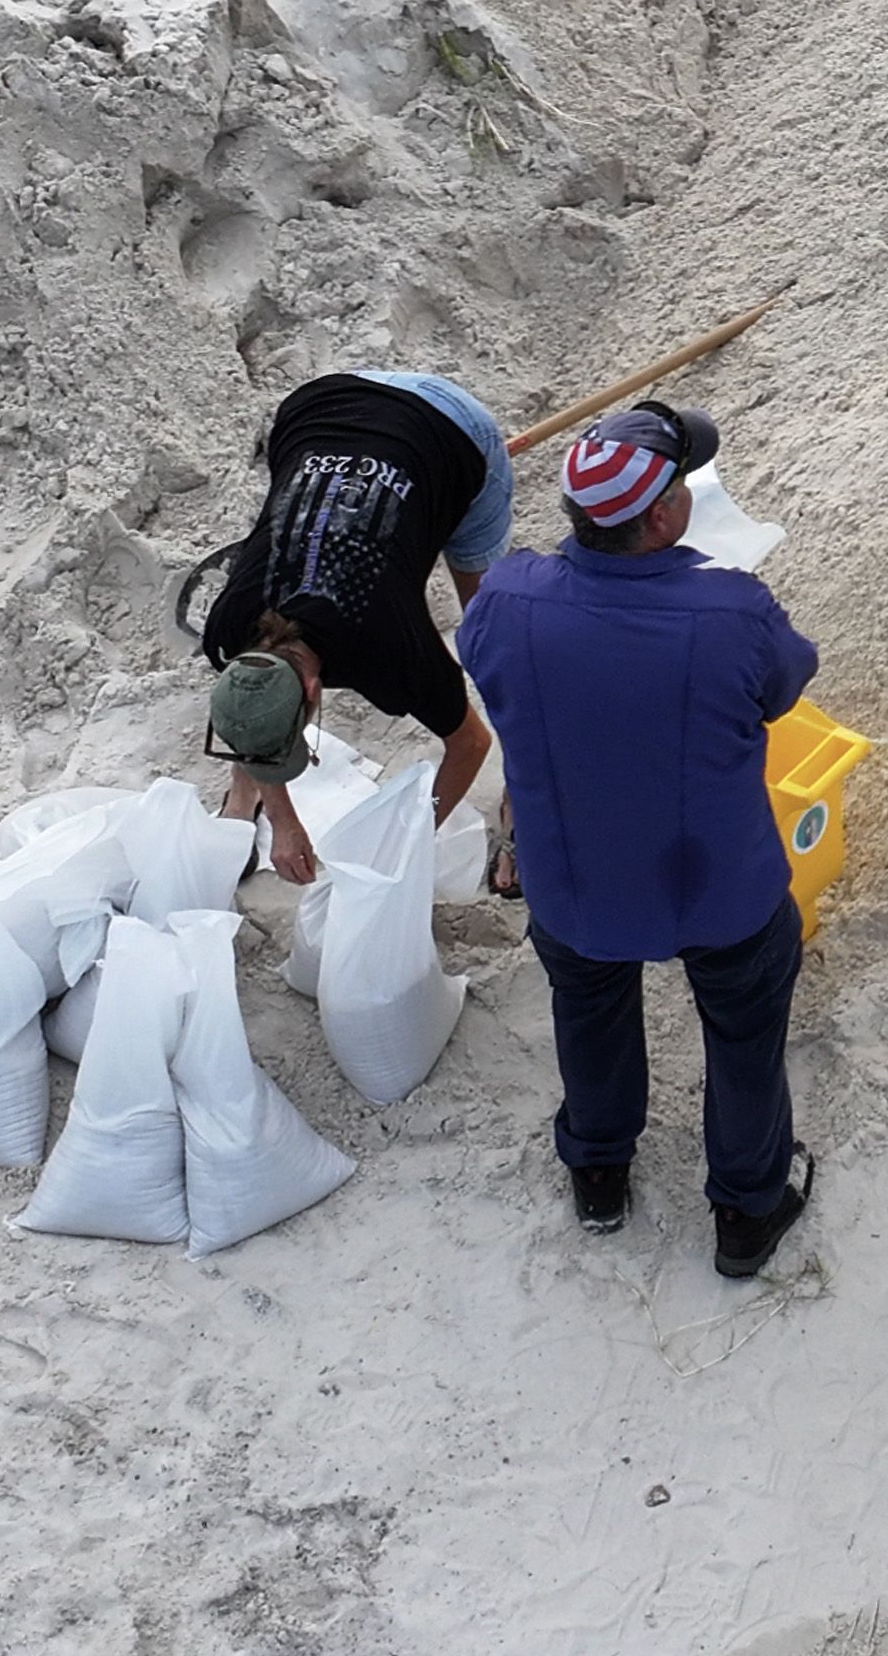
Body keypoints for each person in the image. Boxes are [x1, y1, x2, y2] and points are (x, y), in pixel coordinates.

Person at [459, 404, 818, 1275]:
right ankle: (746, 1210)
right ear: (660, 517)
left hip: (574, 882)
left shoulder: (507, 597)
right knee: (742, 1032)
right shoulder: (732, 610)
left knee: (588, 1010)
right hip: (718, 886)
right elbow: (784, 686)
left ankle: (599, 1174)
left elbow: (481, 658)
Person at [188, 368, 521, 889]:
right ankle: (243, 798)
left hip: (453, 430)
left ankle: (523, 795)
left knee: (493, 643)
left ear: (315, 691)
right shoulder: (228, 628)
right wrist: (285, 821)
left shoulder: (387, 645)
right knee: (258, 716)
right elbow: (249, 721)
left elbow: (470, 743)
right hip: (319, 406)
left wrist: (408, 841)